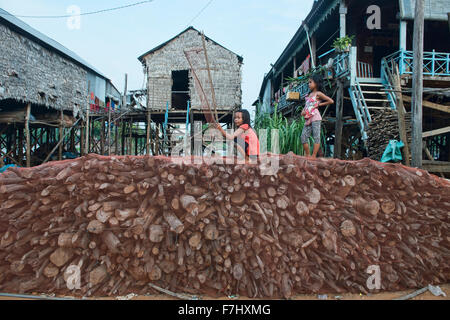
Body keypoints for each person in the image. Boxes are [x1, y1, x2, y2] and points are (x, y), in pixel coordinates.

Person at [301, 75, 334, 158]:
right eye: (308, 82)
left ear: (316, 83)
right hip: (308, 117)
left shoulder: (318, 94)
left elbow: (331, 101)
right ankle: (308, 154)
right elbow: (306, 106)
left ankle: (313, 155)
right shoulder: (309, 94)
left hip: (315, 117)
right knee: (303, 137)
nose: (308, 84)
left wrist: (319, 104)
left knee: (316, 137)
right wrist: (303, 111)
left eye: (310, 82)